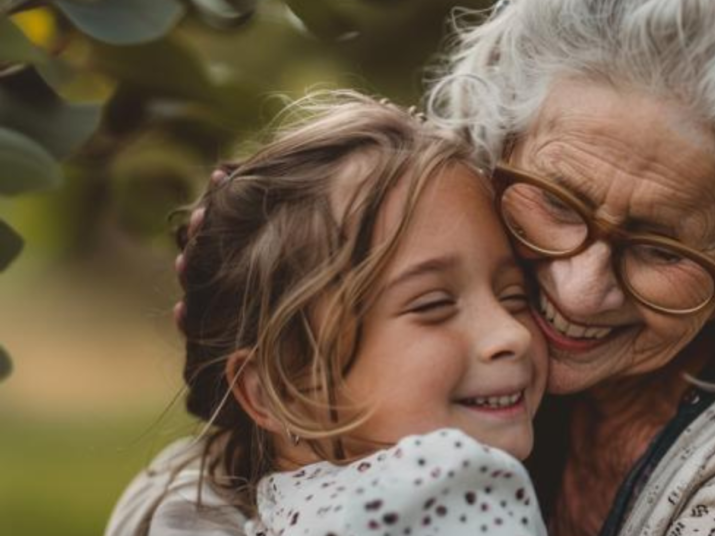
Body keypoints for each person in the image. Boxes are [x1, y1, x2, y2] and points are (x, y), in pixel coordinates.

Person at [113, 1, 715, 535]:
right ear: (493, 158)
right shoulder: (419, 344)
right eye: (558, 204)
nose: (576, 290)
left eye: (663, 249)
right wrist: (255, 346)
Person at [105, 92, 549, 536]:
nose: (512, 333)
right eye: (433, 305)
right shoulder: (454, 495)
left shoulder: (185, 505)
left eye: (515, 295)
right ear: (280, 388)